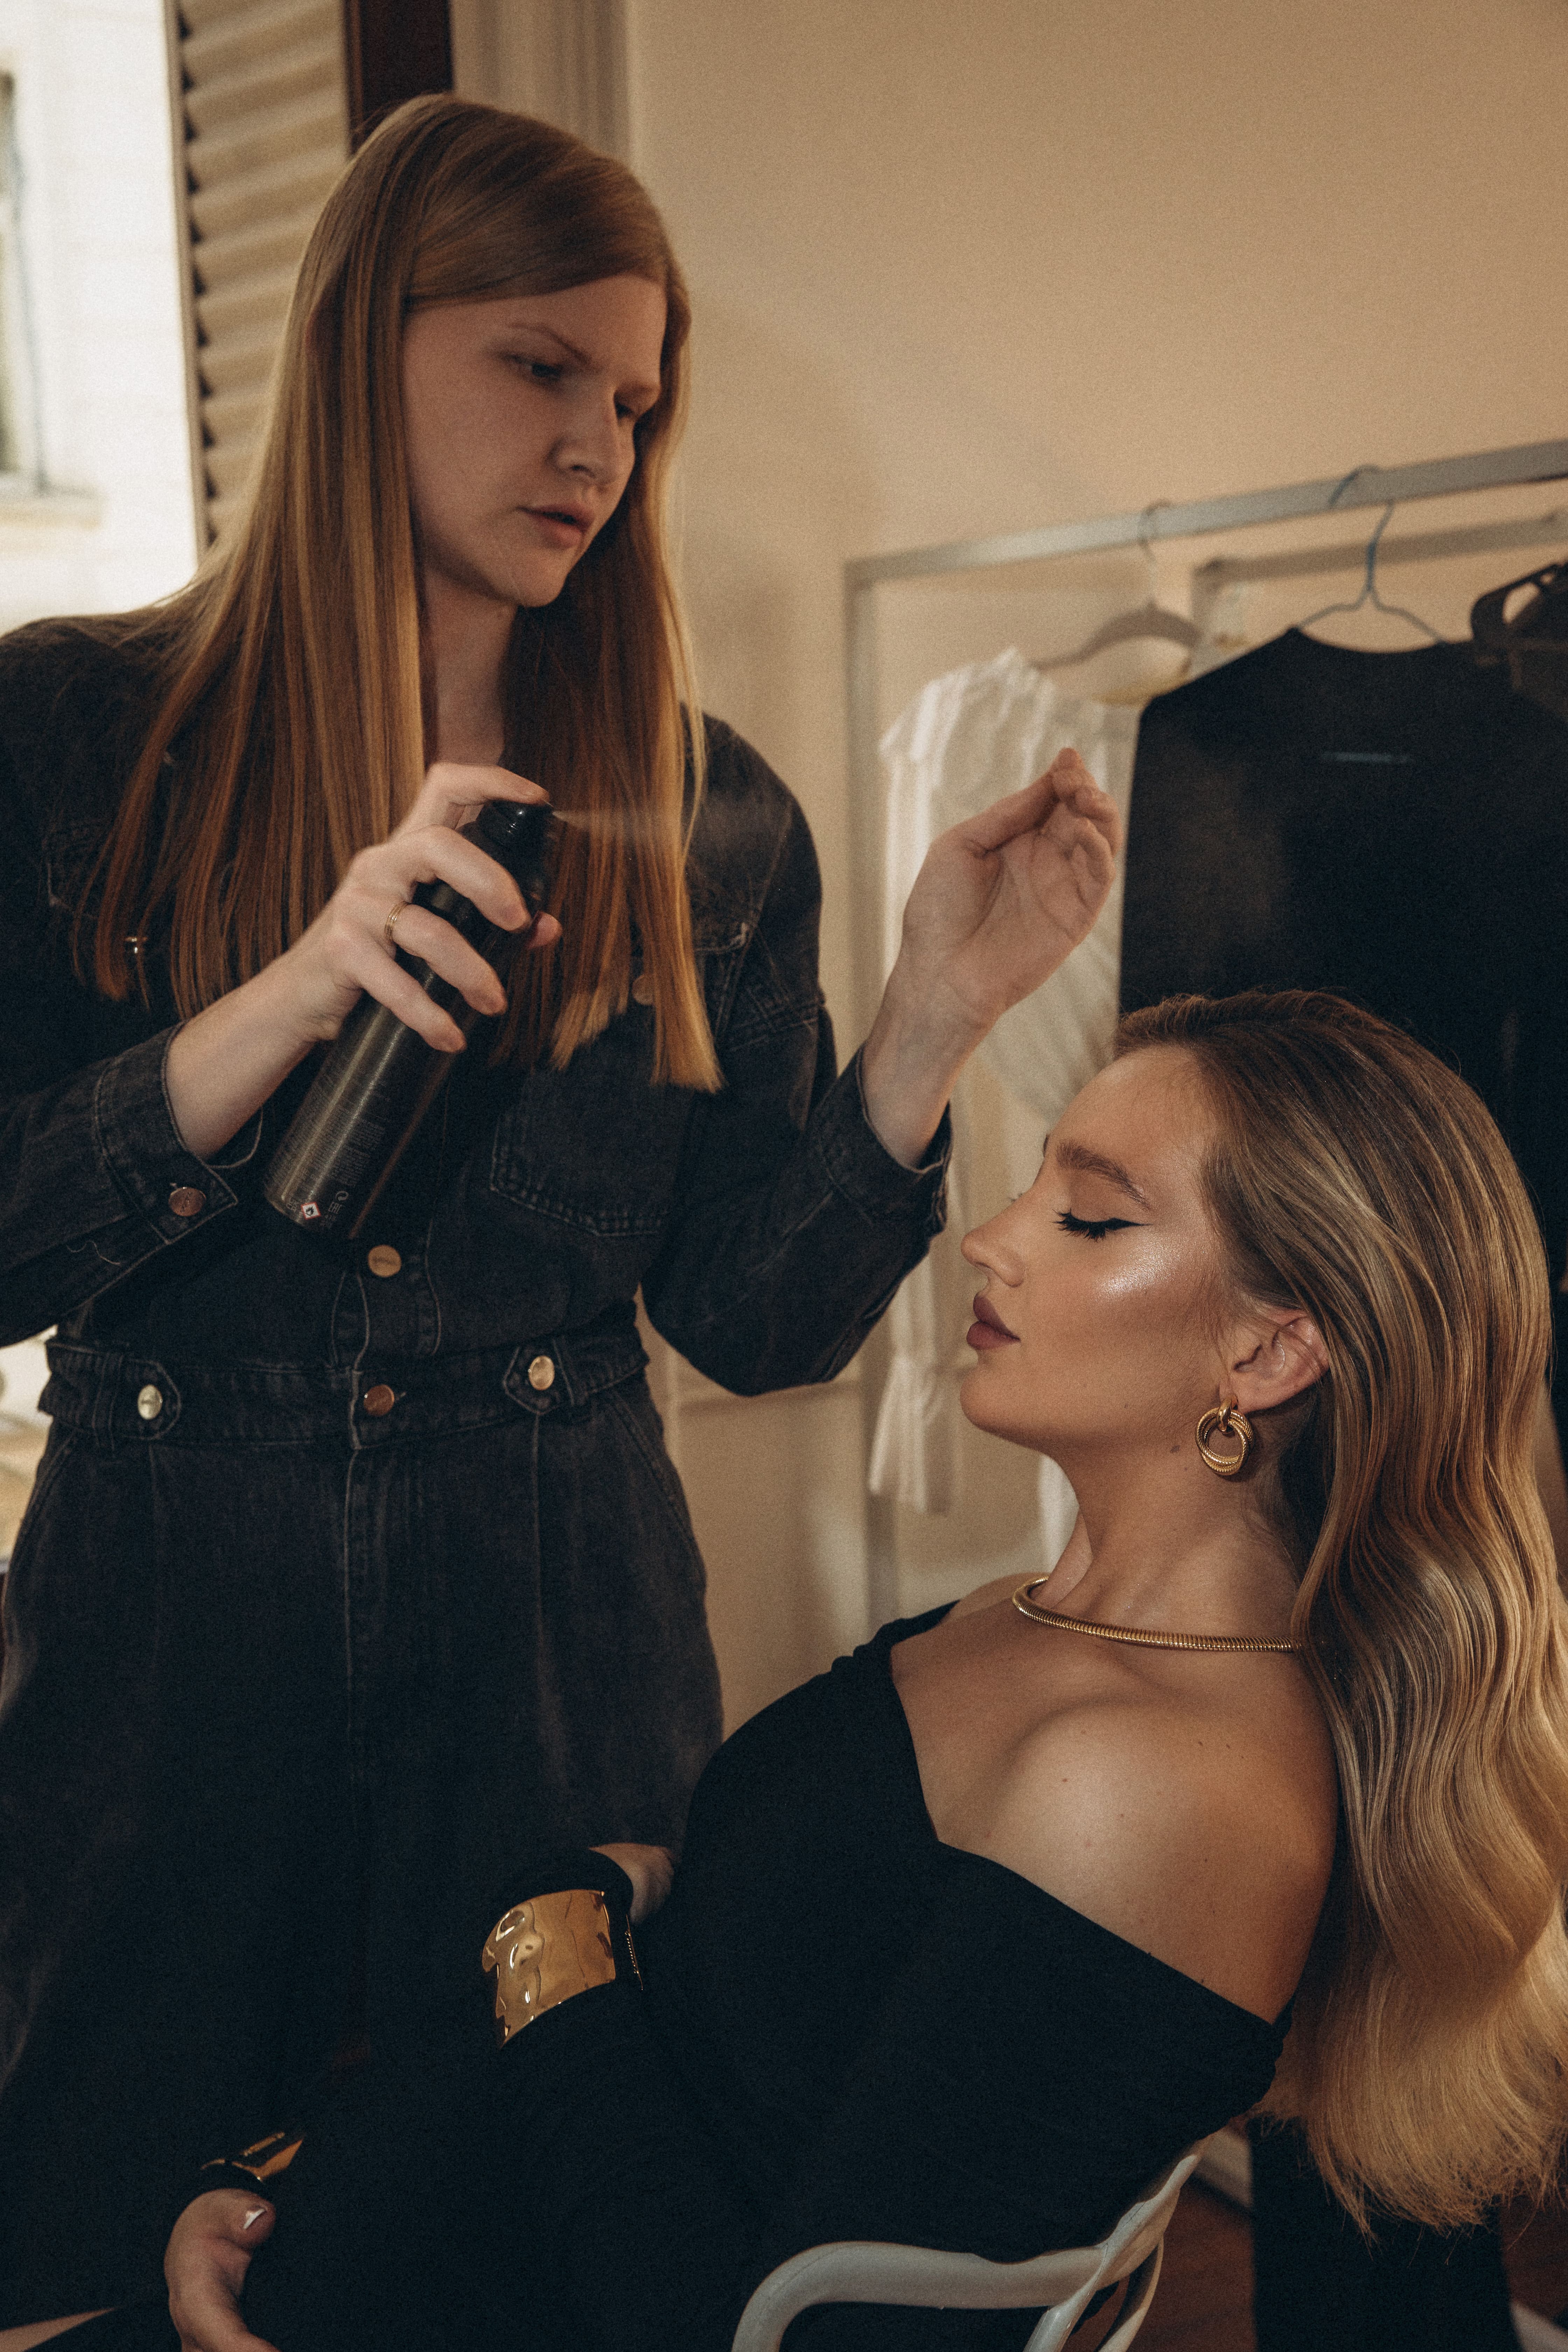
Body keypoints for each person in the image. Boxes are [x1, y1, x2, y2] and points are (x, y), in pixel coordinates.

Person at [0, 97, 1125, 2325]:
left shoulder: (707, 815)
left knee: (527, 2231)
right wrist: (276, 1009)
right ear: (360, 354)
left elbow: (753, 1319)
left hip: (559, 1635)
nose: (598, 444)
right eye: (539, 367)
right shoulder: (64, 732)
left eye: (634, 398)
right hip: (164, 1651)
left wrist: (929, 1019)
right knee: (106, 2236)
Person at [12, 988, 1568, 2352]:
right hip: (361, 2241)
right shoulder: (1038, 1618)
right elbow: (736, 2008)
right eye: (1031, 1183)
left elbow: (735, 2317)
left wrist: (551, 1931)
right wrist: (290, 2171)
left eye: (1091, 1217)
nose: (995, 1235)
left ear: (1267, 1355)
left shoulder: (1153, 1784)